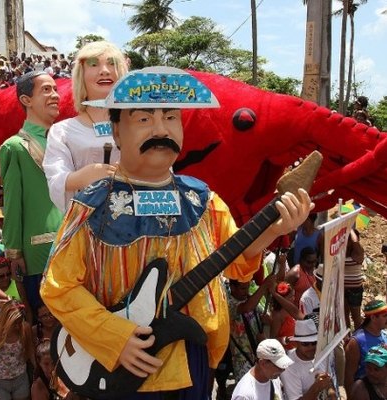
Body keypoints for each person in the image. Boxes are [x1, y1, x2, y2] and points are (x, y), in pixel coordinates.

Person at [40, 67, 313, 397]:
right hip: (115, 365)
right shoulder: (93, 203)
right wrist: (115, 335)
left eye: (171, 118)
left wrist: (274, 230)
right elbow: (59, 287)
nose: (161, 129)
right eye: (144, 120)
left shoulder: (201, 199)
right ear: (116, 130)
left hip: (191, 358)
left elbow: (237, 263)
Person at [0, 71, 64, 316]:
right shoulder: (15, 147)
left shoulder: (66, 141)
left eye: (55, 89)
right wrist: (14, 251)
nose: (55, 95)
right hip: (39, 252)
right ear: (26, 100)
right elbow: (13, 204)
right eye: (46, 90)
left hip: (74, 246)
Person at [43, 41, 128, 212]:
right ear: (81, 74)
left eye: (112, 63)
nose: (104, 70)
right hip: (86, 227)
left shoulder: (142, 126)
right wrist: (81, 177)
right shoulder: (62, 131)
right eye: (94, 64)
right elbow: (56, 179)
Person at [228, 276, 275, 382]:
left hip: (259, 355)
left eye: (248, 287)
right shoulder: (229, 303)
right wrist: (264, 285)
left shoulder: (249, 298)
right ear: (232, 287)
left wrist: (267, 320)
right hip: (242, 359)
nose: (246, 291)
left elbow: (265, 316)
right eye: (243, 288)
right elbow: (247, 307)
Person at [0, 300, 34, 399]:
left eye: (19, 323)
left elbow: (30, 350)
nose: (17, 326)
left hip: (20, 377)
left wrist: (36, 368)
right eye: (13, 323)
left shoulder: (25, 328)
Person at [280, 319, 335, 400]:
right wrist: (316, 388)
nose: (311, 347)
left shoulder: (324, 354)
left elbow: (330, 383)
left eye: (314, 343)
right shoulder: (289, 366)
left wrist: (332, 394)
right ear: (296, 344)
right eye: (305, 344)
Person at [344, 299, 387, 396]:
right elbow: (349, 376)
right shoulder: (356, 342)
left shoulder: (385, 336)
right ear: (373, 317)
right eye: (385, 316)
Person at [344, 229, 365, 330]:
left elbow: (356, 242)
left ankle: (358, 340)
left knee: (356, 317)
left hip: (355, 290)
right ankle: (347, 339)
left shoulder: (358, 253)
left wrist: (349, 228)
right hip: (342, 290)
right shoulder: (341, 252)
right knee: (344, 316)